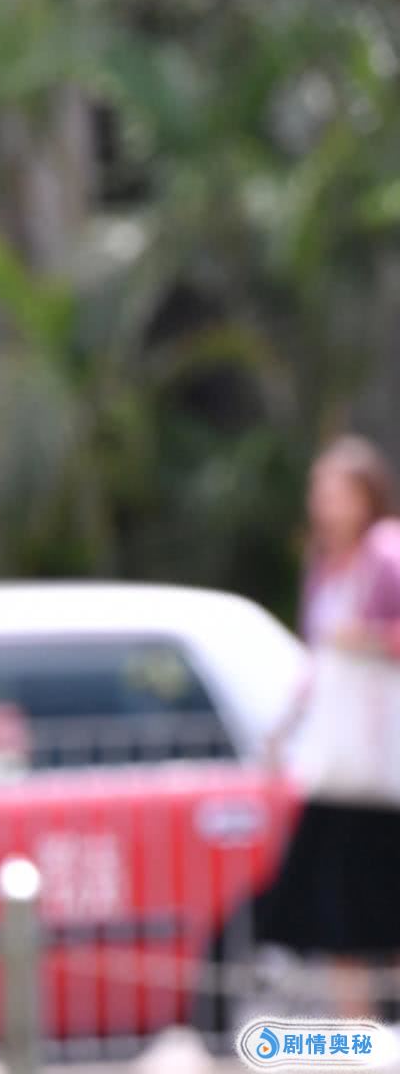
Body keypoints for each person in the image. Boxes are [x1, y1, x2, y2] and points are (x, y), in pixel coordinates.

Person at [259, 435, 400, 1017]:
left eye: (336, 491)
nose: (323, 503)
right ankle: (360, 1037)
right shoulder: (322, 563)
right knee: (339, 917)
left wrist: (367, 641)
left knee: (382, 906)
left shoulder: (386, 554)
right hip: (338, 769)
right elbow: (316, 662)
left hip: (383, 770)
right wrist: (285, 727)